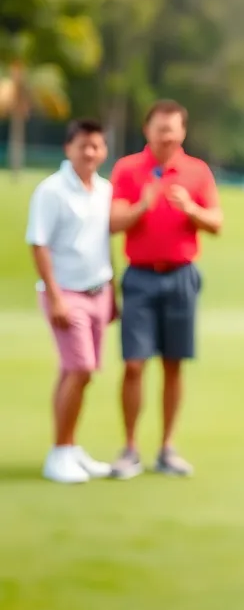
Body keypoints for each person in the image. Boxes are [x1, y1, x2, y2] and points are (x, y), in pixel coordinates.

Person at [109, 100, 223, 479]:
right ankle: (129, 449)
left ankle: (167, 448)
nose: (167, 137)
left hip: (181, 276)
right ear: (147, 130)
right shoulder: (127, 169)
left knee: (174, 364)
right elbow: (112, 222)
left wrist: (191, 208)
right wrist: (141, 206)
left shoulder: (196, 171)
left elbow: (216, 222)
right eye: (160, 130)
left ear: (183, 132)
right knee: (134, 363)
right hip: (140, 277)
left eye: (173, 130)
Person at [25, 119, 118, 484]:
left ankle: (69, 447)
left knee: (76, 372)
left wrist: (112, 295)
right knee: (80, 370)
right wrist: (56, 297)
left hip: (99, 290)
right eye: (84, 146)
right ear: (69, 149)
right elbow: (39, 244)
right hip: (65, 294)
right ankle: (60, 452)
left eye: (97, 146)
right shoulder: (51, 191)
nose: (91, 152)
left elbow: (102, 242)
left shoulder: (104, 189)